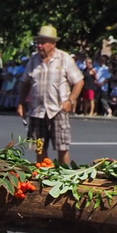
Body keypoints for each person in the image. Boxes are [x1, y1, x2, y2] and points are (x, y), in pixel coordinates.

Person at [17, 25, 83, 165]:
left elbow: (79, 81)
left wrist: (70, 101)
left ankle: (64, 176)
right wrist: (21, 103)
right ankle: (44, 175)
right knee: (39, 148)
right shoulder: (33, 60)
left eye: (43, 42)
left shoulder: (64, 58)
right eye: (38, 42)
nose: (39, 46)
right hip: (37, 110)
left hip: (58, 109)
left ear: (53, 43)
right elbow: (25, 82)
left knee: (62, 147)